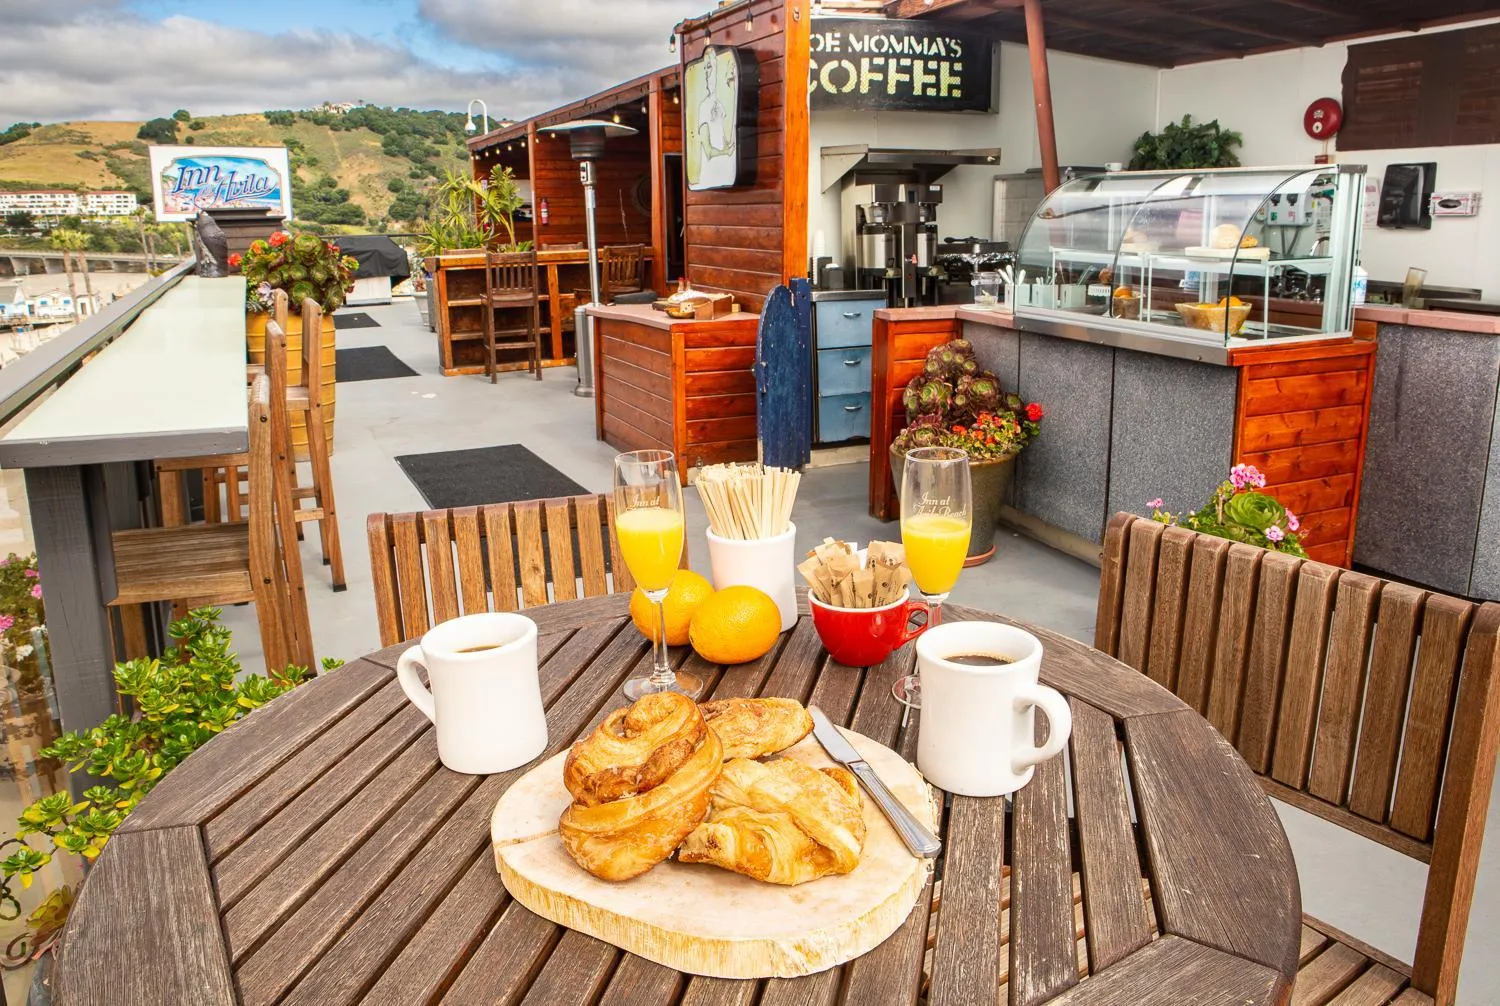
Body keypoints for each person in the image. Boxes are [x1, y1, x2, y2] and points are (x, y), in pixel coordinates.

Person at [694, 49, 738, 189]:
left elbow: (727, 139)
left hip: (724, 172)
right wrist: (726, 152)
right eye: (705, 68)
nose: (707, 72)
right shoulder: (703, 107)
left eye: (710, 67)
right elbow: (708, 151)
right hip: (711, 175)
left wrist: (733, 86)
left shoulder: (719, 104)